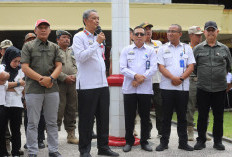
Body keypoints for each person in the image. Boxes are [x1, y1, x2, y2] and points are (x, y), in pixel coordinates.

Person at [72, 9, 119, 157]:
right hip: (87, 85)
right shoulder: (79, 37)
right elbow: (80, 57)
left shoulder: (99, 37)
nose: (97, 21)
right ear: (85, 21)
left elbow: (100, 60)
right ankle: (84, 150)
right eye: (93, 18)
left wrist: (98, 42)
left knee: (103, 118)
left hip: (102, 84)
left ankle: (103, 147)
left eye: (98, 18)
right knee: (86, 120)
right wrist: (95, 44)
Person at [21, 19, 63, 157]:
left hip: (52, 88)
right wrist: (41, 79)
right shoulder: (28, 46)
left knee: (52, 122)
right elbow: (25, 67)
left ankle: (53, 150)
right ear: (35, 30)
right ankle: (32, 151)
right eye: (40, 27)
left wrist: (50, 79)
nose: (43, 30)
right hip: (34, 89)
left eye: (46, 27)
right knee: (33, 122)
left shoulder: (54, 47)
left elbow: (59, 66)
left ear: (50, 31)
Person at [156, 24, 195, 151]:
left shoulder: (186, 48)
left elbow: (191, 66)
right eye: (169, 31)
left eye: (173, 31)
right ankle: (164, 142)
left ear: (180, 34)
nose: (170, 33)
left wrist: (181, 78)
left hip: (182, 88)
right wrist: (173, 78)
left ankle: (183, 143)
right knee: (166, 116)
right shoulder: (162, 48)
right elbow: (161, 67)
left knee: (182, 117)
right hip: (167, 87)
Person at [193, 21, 232, 151]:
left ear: (217, 32)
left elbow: (228, 67)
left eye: (212, 30)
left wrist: (227, 82)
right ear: (204, 32)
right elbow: (193, 67)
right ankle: (201, 140)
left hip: (220, 88)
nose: (210, 32)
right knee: (202, 116)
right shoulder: (198, 49)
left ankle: (218, 141)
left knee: (219, 116)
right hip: (203, 88)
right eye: (208, 30)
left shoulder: (224, 48)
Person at [120, 26, 157, 152]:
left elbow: (153, 68)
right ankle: (129, 141)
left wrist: (142, 78)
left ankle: (144, 141)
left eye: (142, 34)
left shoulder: (151, 50)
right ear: (132, 36)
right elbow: (123, 68)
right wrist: (135, 76)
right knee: (129, 116)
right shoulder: (126, 50)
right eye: (137, 34)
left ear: (146, 36)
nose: (139, 36)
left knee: (145, 117)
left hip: (145, 89)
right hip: (130, 88)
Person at [23, 32, 46, 150]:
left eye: (33, 39)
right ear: (25, 42)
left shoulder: (41, 53)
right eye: (29, 40)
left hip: (41, 88)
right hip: (28, 90)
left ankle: (40, 139)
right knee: (29, 118)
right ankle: (30, 140)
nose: (31, 41)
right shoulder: (23, 55)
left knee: (41, 116)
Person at [0, 46, 25, 157]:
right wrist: (17, 83)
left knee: (16, 129)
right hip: (3, 103)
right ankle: (3, 152)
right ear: (9, 58)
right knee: (2, 129)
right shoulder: (2, 68)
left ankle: (15, 151)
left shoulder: (20, 70)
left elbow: (21, 88)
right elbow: (2, 85)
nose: (17, 63)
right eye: (15, 61)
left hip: (16, 103)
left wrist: (8, 85)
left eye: (19, 61)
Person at [140, 22, 163, 138]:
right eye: (146, 29)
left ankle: (161, 131)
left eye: (150, 29)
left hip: (157, 81)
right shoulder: (139, 45)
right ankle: (147, 130)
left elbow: (161, 59)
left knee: (160, 106)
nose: (148, 31)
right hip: (144, 81)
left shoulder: (158, 43)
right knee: (145, 107)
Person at [56, 30, 79, 144]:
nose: (67, 39)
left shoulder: (73, 51)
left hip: (73, 84)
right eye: (64, 37)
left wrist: (75, 76)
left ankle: (71, 135)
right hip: (59, 84)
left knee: (72, 109)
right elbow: (51, 67)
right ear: (58, 39)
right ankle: (53, 136)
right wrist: (64, 77)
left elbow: (79, 65)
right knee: (58, 109)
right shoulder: (54, 50)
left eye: (68, 38)